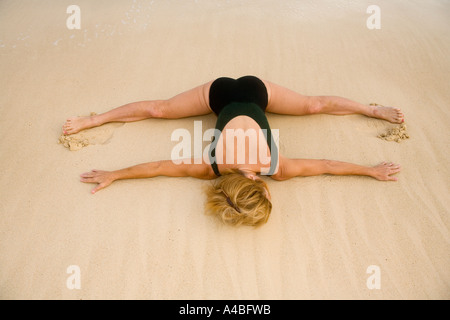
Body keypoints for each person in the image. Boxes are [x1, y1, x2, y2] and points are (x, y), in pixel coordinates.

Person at [62, 76, 403, 227]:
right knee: (160, 109)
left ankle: (374, 110)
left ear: (265, 189)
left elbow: (327, 164)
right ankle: (94, 119)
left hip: (244, 93)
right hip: (225, 93)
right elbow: (159, 166)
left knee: (313, 105)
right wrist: (115, 174)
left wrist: (370, 170)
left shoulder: (275, 167)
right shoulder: (212, 168)